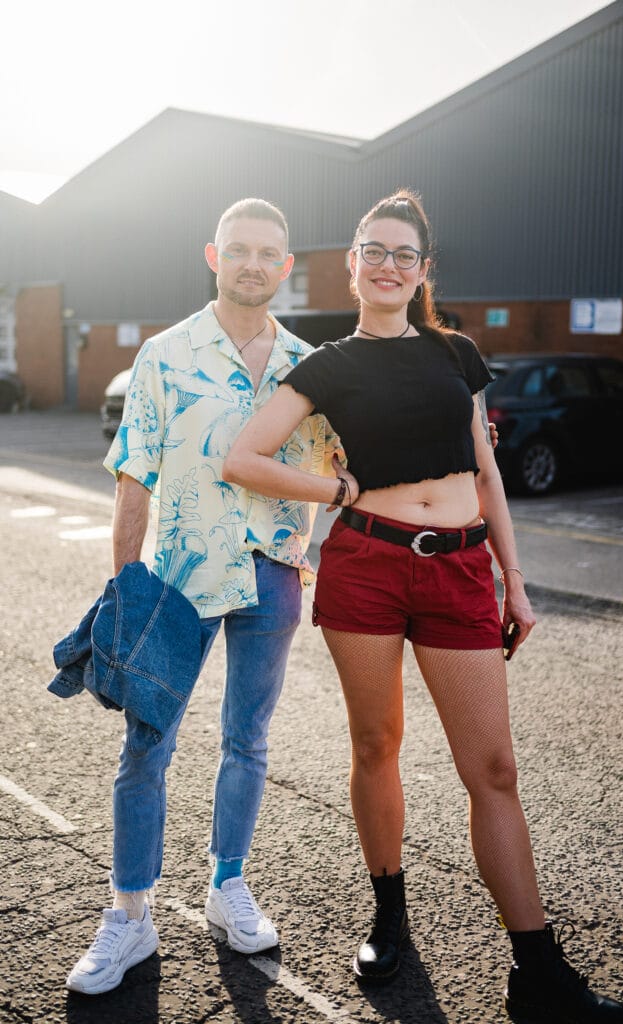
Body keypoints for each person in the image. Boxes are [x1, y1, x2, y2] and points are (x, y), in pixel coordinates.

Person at [222, 190, 623, 1023]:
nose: (385, 265)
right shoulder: (327, 364)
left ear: (421, 272)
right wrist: (332, 486)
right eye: (372, 250)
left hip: (457, 572)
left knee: (494, 770)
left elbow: (486, 471)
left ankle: (537, 970)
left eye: (402, 254)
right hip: (366, 566)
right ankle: (390, 916)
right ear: (352, 263)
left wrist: (512, 581)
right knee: (376, 745)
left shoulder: (457, 356)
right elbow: (243, 456)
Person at [66, 198, 342, 995]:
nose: (253, 263)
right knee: (146, 749)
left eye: (268, 253)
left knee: (247, 741)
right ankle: (130, 916)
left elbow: (339, 465)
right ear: (213, 256)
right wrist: (125, 587)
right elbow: (133, 476)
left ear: (285, 267)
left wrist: (459, 434)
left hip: (273, 576)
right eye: (239, 249)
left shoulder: (309, 364)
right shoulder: (164, 354)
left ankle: (227, 887)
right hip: (180, 580)